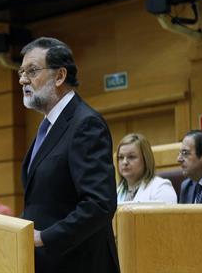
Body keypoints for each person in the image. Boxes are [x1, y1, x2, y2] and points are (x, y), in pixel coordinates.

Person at [19, 37, 119, 272]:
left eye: (32, 71)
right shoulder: (48, 127)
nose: (23, 79)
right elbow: (44, 202)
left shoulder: (85, 124)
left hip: (80, 263)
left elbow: (99, 205)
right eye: (21, 72)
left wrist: (44, 238)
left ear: (60, 76)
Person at [116, 133, 177, 203]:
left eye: (131, 157)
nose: (125, 162)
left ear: (146, 159)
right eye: (121, 157)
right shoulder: (116, 192)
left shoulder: (161, 188)